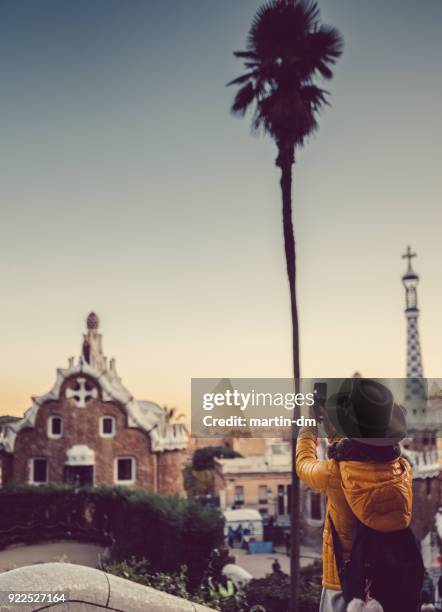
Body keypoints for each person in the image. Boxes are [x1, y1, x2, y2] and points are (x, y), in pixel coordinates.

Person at [296, 378, 414, 612]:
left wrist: (309, 426)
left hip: (344, 581)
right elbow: (361, 451)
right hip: (385, 581)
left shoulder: (333, 472)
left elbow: (303, 464)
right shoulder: (402, 469)